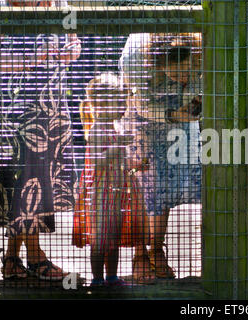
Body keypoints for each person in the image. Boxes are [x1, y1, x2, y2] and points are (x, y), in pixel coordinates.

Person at [0, 0, 81, 280]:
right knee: (22, 183)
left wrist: (71, 51)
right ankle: (35, 257)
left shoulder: (59, 4)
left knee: (37, 182)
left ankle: (12, 258)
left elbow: (76, 43)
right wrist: (31, 59)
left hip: (51, 112)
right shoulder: (1, 6)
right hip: (16, 115)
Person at [119, 33, 202, 282]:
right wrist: (174, 115)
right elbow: (139, 105)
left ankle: (157, 249)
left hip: (177, 117)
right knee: (141, 182)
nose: (183, 77)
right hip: (141, 120)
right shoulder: (135, 61)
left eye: (187, 70)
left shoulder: (202, 55)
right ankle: (139, 254)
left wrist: (194, 103)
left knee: (162, 185)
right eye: (177, 73)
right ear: (159, 64)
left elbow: (200, 88)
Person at [73, 72, 148, 286]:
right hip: (101, 195)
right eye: (119, 102)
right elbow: (98, 161)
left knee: (113, 237)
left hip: (118, 194)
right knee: (100, 240)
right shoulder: (98, 130)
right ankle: (97, 279)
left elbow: (121, 163)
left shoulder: (116, 127)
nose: (123, 106)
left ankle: (112, 276)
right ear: (103, 104)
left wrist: (136, 166)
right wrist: (118, 146)